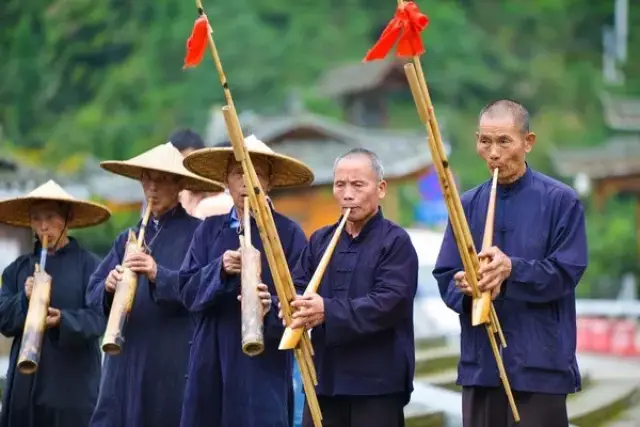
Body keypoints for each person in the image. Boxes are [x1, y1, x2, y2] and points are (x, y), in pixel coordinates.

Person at [433, 99, 588, 427]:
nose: (493, 152)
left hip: (540, 367)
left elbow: (566, 272)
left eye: (504, 141)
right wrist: (465, 285)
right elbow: (446, 275)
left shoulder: (561, 201)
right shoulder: (466, 205)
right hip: (481, 366)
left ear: (528, 142)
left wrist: (511, 270)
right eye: (485, 141)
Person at [178, 134, 313, 427]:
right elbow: (187, 292)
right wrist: (220, 269)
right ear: (226, 181)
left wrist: (271, 305)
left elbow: (302, 303)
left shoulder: (289, 235)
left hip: (263, 366)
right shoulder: (208, 231)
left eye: (256, 174)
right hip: (210, 359)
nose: (246, 181)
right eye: (238, 173)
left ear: (269, 183)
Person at [87, 142, 223, 427]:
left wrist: (156, 272)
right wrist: (109, 286)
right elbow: (93, 292)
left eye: (161, 180)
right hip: (124, 357)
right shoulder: (129, 237)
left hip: (170, 357)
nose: (152, 188)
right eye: (146, 179)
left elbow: (201, 289)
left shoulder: (198, 233)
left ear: (179, 185)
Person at [286, 148, 419, 427]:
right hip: (324, 379)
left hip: (377, 384)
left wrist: (327, 310)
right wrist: (285, 303)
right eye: (340, 185)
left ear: (381, 189)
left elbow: (390, 303)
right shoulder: (320, 240)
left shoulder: (395, 242)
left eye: (358, 184)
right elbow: (299, 287)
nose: (347, 194)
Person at [0, 180, 111, 427]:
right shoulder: (18, 270)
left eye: (50, 217)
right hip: (25, 388)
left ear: (68, 218)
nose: (43, 226)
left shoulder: (92, 267)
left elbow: (99, 319)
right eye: (36, 218)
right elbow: (3, 319)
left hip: (73, 387)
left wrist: (63, 319)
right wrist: (23, 298)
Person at [169, 128, 233, 218]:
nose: (186, 170)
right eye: (180, 164)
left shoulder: (221, 199)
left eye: (191, 163)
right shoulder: (168, 199)